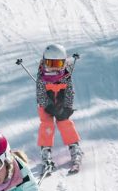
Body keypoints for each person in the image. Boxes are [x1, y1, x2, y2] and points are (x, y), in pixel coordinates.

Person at [34, 43, 84, 174]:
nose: (53, 68)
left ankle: (75, 148)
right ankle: (46, 152)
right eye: (50, 63)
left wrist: (67, 108)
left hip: (61, 104)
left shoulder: (66, 76)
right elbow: (40, 94)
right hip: (46, 106)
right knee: (47, 124)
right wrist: (48, 106)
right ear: (44, 62)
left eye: (58, 64)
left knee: (65, 123)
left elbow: (69, 92)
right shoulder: (41, 76)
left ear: (64, 63)